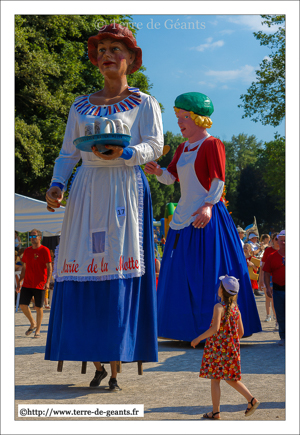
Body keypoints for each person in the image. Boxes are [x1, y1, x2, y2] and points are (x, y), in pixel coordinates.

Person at [44, 24, 163, 390]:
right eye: (102, 49)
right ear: (95, 60)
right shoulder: (80, 104)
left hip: (124, 186)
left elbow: (156, 146)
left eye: (116, 48)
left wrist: (126, 152)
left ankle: (115, 363)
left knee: (118, 263)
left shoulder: (144, 102)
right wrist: (57, 183)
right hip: (87, 189)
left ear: (131, 59)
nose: (108, 54)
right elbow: (68, 153)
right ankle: (94, 357)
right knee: (82, 263)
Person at [145, 92, 261, 340]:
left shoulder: (212, 144)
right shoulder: (182, 147)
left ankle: (216, 327)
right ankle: (181, 327)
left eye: (184, 117)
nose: (179, 122)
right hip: (184, 214)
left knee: (209, 268)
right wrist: (157, 171)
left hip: (207, 215)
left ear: (198, 118)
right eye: (178, 117)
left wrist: (209, 204)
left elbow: (219, 178)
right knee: (180, 269)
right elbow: (171, 178)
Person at [191, 275, 260, 419]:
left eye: (219, 286)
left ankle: (250, 400)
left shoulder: (218, 307)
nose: (218, 288)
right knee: (229, 378)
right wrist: (230, 341)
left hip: (217, 349)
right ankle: (218, 411)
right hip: (230, 349)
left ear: (223, 290)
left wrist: (198, 338)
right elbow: (241, 332)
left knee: (216, 379)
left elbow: (215, 328)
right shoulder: (236, 309)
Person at [16, 229, 52, 338]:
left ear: (40, 237)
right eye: (31, 237)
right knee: (22, 305)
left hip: (40, 283)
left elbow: (49, 267)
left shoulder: (45, 250)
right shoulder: (27, 251)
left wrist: (47, 281)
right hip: (27, 283)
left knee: (38, 307)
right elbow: (24, 268)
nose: (32, 239)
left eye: (34, 236)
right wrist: (19, 282)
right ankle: (33, 323)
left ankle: (38, 330)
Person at [263, 230, 285, 346]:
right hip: (278, 289)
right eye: (281, 240)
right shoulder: (272, 256)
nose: (283, 243)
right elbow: (266, 272)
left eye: (285, 240)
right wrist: (267, 287)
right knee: (280, 315)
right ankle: (283, 337)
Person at [259, 232, 279, 324]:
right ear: (272, 240)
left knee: (276, 300)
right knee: (270, 298)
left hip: (280, 278)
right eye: (276, 239)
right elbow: (263, 266)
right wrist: (261, 280)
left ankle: (277, 319)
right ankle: (270, 316)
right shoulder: (268, 251)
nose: (278, 241)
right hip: (269, 278)